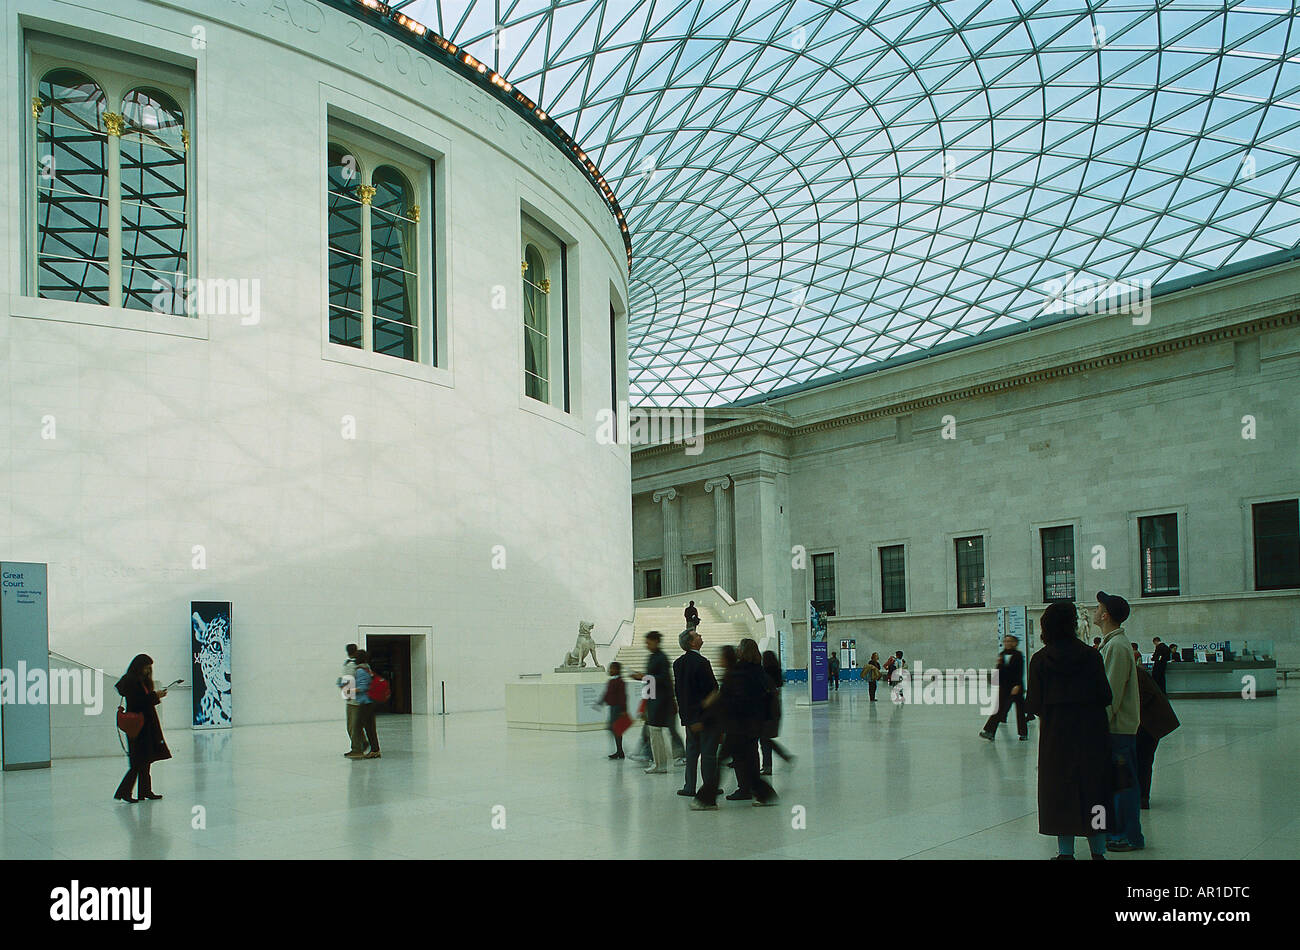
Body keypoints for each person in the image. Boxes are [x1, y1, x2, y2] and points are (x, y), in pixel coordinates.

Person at [1026, 601, 1113, 860]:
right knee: (1094, 790)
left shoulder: (1040, 660)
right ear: (1074, 625)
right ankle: (1098, 852)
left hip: (1057, 738)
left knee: (1061, 792)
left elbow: (1034, 704)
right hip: (1092, 736)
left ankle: (1065, 853)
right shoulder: (1091, 656)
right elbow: (1105, 696)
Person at [1095, 591, 1143, 852]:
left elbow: (1110, 694)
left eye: (1098, 606)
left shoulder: (1116, 646)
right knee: (1121, 782)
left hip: (1117, 730)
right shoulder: (1113, 643)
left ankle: (1125, 835)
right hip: (1119, 729)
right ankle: (1124, 833)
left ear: (1106, 615)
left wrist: (1097, 726)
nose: (1094, 610)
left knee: (1123, 784)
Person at [720, 639, 777, 805]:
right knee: (751, 754)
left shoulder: (740, 671)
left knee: (737, 757)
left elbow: (732, 697)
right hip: (755, 722)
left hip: (739, 723)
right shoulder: (759, 671)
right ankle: (756, 790)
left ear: (742, 652)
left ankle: (745, 789)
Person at [114, 654, 172, 803]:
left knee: (145, 760)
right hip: (139, 725)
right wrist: (156, 695)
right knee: (138, 762)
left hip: (142, 725)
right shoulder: (133, 682)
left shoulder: (137, 681)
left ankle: (145, 791)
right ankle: (125, 792)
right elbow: (139, 702)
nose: (148, 671)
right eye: (146, 667)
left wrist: (154, 695)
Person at [674, 628, 718, 796]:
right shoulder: (702, 662)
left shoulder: (678, 663)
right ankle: (709, 787)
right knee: (708, 754)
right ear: (692, 642)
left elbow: (680, 692)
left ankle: (689, 786)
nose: (700, 636)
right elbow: (713, 688)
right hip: (704, 717)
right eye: (697, 635)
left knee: (692, 753)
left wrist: (686, 717)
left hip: (689, 717)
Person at [690, 646, 732, 811]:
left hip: (737, 727)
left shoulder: (731, 677)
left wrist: (704, 720)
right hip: (739, 726)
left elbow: (721, 704)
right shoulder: (732, 675)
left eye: (720, 657)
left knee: (720, 762)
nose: (718, 660)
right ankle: (764, 794)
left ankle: (706, 799)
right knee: (745, 763)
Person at [1135, 662, 1179, 809]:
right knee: (1143, 760)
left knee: (1143, 759)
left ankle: (1142, 797)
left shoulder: (1133, 673)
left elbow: (1144, 696)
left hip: (1150, 723)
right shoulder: (1134, 671)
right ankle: (1141, 796)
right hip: (1149, 722)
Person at [636, 631, 673, 774]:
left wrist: (644, 676)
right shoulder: (653, 657)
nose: (647, 645)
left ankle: (660, 764)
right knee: (654, 734)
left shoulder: (661, 658)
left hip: (660, 701)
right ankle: (659, 763)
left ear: (656, 641)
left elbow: (663, 679)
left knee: (656, 734)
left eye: (649, 642)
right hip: (654, 701)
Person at [979, 634, 1028, 741]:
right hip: (1005, 687)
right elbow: (999, 671)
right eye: (1005, 641)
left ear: (1015, 643)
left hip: (1016, 687)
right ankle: (990, 731)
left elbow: (1019, 672)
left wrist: (1017, 685)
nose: (1008, 643)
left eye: (1010, 641)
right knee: (998, 709)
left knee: (1020, 711)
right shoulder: (1002, 654)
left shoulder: (1018, 655)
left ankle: (1023, 733)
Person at [760, 651, 796, 774]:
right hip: (775, 707)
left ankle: (769, 765)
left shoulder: (764, 673)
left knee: (765, 739)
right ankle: (779, 759)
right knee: (766, 738)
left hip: (766, 709)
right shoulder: (777, 671)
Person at [345, 649, 381, 759]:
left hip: (365, 703)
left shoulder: (360, 671)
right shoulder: (367, 668)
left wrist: (351, 691)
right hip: (368, 702)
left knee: (358, 726)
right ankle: (374, 749)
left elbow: (363, 687)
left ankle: (367, 748)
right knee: (368, 727)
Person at [337, 642, 363, 755]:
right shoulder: (357, 665)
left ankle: (357, 749)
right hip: (354, 698)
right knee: (354, 725)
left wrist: (347, 695)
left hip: (353, 700)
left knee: (352, 726)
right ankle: (362, 744)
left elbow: (348, 681)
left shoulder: (351, 665)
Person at [599, 661, 628, 759]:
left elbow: (623, 696)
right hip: (613, 708)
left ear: (617, 670)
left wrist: (623, 710)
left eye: (612, 668)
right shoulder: (611, 681)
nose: (609, 670)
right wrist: (601, 701)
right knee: (614, 729)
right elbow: (607, 693)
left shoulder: (620, 682)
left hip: (617, 709)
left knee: (616, 729)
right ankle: (619, 751)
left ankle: (620, 751)